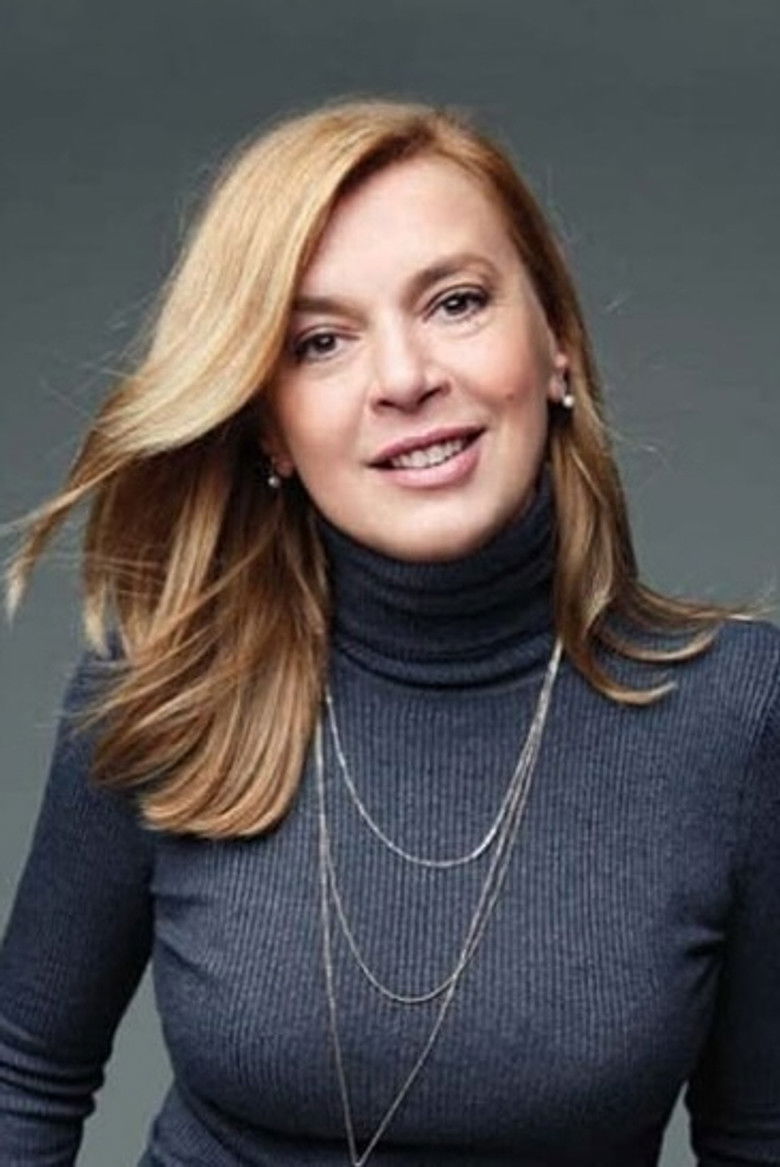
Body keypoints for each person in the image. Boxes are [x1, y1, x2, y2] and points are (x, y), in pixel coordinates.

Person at [0, 95, 778, 1167]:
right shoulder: (167, 684)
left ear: (557, 343)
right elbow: (21, 1074)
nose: (405, 379)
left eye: (456, 302)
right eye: (321, 342)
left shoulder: (741, 716)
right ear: (270, 427)